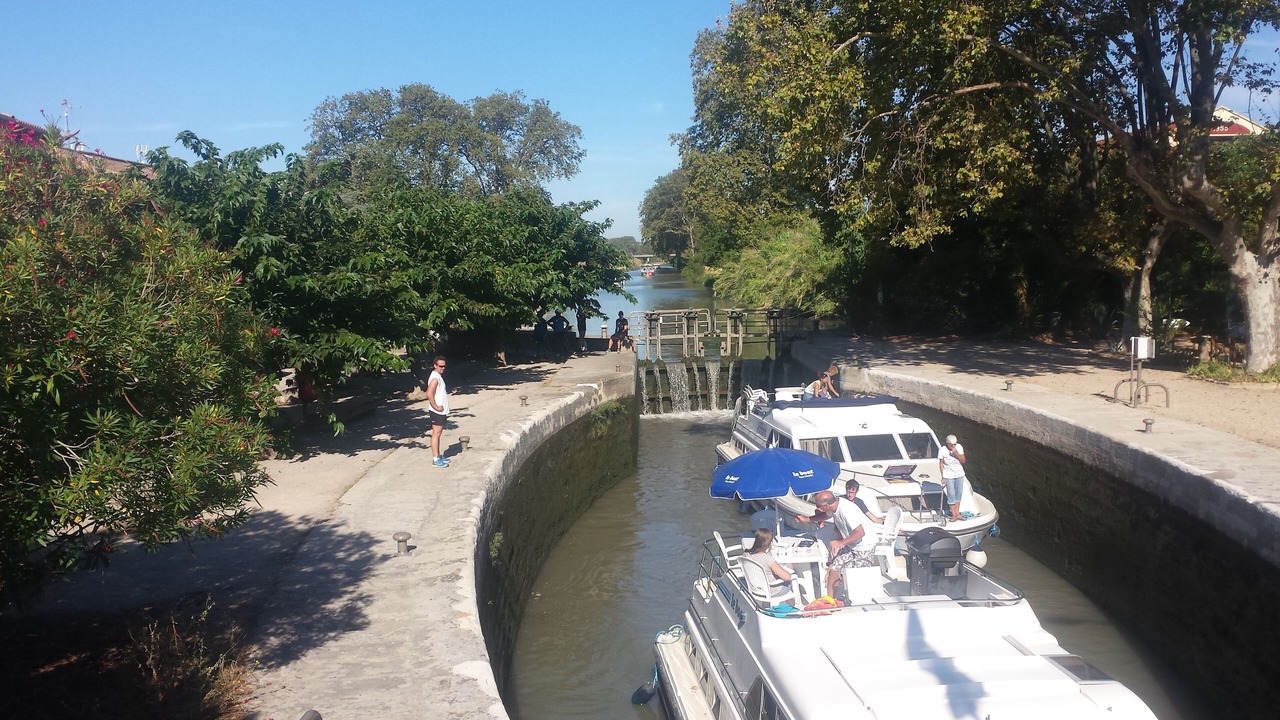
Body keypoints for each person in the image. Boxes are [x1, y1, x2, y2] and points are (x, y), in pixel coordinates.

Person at [806, 490, 878, 596]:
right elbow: (826, 516)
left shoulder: (846, 511)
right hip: (852, 545)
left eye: (818, 505)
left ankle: (853, 597)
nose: (817, 508)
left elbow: (860, 532)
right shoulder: (834, 506)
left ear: (825, 506)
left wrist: (840, 543)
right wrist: (807, 519)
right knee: (834, 568)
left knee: (854, 576)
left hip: (864, 547)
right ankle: (830, 599)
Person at [739, 528, 794, 601]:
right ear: (769, 543)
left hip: (754, 588)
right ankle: (792, 605)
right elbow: (787, 577)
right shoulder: (767, 558)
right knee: (791, 580)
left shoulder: (746, 554)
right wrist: (790, 567)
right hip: (771, 590)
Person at [425, 355, 451, 468]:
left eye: (444, 366)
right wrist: (436, 407)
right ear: (435, 365)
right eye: (440, 366)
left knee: (438, 434)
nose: (443, 368)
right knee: (436, 434)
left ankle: (439, 455)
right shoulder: (435, 378)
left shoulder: (437, 376)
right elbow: (428, 394)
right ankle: (435, 459)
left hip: (441, 411)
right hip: (437, 412)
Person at [939, 434, 967, 521]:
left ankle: (957, 513)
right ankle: (953, 514)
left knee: (958, 493)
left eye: (955, 444)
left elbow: (963, 460)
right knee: (951, 494)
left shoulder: (959, 447)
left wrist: (956, 453)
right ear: (948, 444)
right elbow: (941, 463)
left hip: (959, 474)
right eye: (952, 445)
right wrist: (943, 476)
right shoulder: (942, 450)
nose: (953, 446)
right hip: (949, 475)